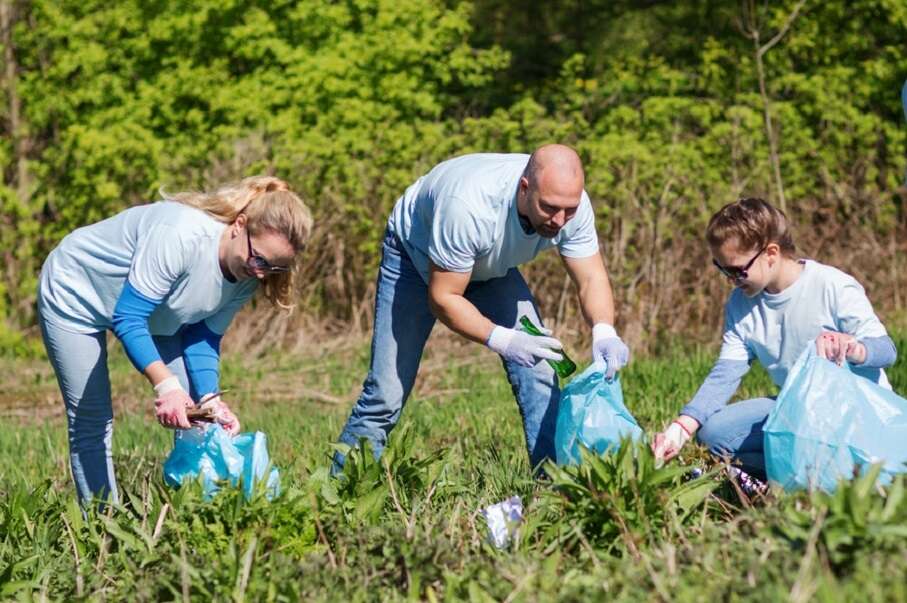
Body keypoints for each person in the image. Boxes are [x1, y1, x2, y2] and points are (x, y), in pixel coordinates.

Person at [333, 144, 630, 472]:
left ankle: (553, 490)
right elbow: (444, 298)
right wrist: (504, 340)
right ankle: (344, 495)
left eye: (568, 210)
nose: (560, 221)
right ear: (524, 188)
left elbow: (590, 277)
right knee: (385, 395)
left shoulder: (572, 206)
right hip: (414, 257)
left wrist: (604, 331)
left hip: (487, 267)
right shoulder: (469, 206)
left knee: (541, 372)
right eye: (549, 208)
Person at [37, 176, 312, 505]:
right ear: (240, 225)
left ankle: (196, 512)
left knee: (196, 417)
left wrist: (209, 398)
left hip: (153, 313)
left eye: (275, 268)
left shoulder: (247, 274)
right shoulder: (181, 235)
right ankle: (100, 524)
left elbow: (202, 333)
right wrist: (165, 386)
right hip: (76, 292)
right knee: (93, 418)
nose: (262, 274)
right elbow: (128, 317)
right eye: (260, 260)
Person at [651, 197, 897, 485]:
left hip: (856, 414)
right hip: (797, 410)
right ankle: (780, 477)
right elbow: (725, 375)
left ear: (771, 253)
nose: (731, 279)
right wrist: (680, 429)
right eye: (722, 269)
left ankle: (825, 475)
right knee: (715, 433)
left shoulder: (833, 286)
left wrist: (854, 347)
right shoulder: (740, 305)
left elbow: (887, 351)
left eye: (737, 270)